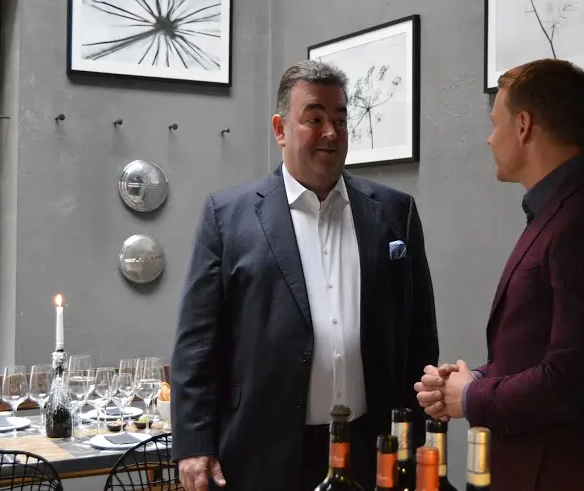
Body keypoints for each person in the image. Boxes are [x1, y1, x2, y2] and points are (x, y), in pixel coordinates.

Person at [171, 59, 439, 491]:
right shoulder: (227, 216)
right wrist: (194, 442)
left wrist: (415, 433)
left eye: (340, 120)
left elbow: (419, 332)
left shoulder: (394, 211)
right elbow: (197, 341)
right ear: (280, 129)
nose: (331, 133)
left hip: (371, 447)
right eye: (314, 119)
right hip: (263, 449)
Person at [415, 59, 584, 491]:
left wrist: (471, 397)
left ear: (523, 125)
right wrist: (475, 380)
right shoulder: (568, 209)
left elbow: (572, 379)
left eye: (496, 123)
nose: (489, 138)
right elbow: (540, 351)